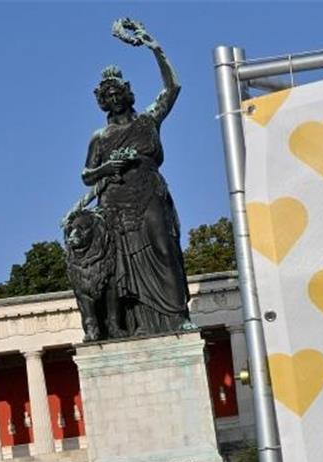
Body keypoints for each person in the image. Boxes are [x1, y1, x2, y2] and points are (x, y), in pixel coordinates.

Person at [81, 28, 191, 335]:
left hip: (149, 193)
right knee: (121, 267)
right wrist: (108, 167)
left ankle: (177, 315)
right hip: (116, 202)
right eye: (108, 96)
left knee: (164, 249)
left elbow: (174, 86)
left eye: (118, 94)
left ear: (128, 94)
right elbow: (86, 175)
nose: (114, 99)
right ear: (102, 101)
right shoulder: (100, 138)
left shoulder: (148, 120)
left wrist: (154, 47)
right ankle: (136, 325)